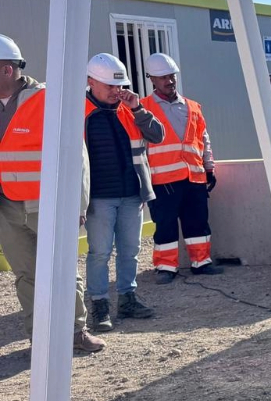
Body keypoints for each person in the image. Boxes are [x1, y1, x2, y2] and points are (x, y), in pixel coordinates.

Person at [0, 35, 104, 353]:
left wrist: (79, 201)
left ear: (6, 69)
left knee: (61, 271)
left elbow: (77, 153)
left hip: (48, 203)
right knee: (26, 276)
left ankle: (75, 332)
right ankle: (40, 338)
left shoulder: (48, 98)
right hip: (7, 207)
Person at [83, 52, 164, 333]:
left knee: (130, 251)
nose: (117, 91)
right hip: (98, 198)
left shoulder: (130, 109)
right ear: (92, 81)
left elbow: (157, 135)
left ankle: (128, 299)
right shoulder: (79, 112)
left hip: (132, 195)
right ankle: (99, 305)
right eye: (110, 86)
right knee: (100, 253)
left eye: (121, 86)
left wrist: (138, 108)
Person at [140, 53, 222, 284]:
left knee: (197, 221)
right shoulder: (142, 109)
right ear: (152, 80)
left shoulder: (193, 107)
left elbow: (203, 139)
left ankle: (201, 262)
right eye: (163, 77)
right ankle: (166, 267)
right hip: (162, 180)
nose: (169, 81)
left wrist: (209, 167)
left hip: (194, 177)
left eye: (171, 76)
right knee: (165, 224)